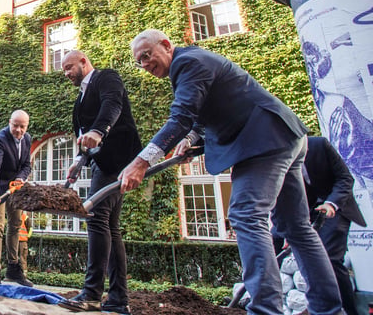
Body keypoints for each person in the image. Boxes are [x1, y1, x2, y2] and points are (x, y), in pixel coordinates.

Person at [121, 29, 343, 315]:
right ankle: (329, 310)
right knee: (296, 228)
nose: (146, 65)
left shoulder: (188, 63)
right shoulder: (194, 63)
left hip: (264, 142)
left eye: (147, 56)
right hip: (285, 137)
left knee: (246, 215)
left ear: (166, 45)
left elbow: (181, 116)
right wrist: (190, 141)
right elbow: (201, 118)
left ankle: (264, 310)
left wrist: (141, 161)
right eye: (140, 62)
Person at [58, 50, 141, 314]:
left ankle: (92, 294)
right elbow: (84, 138)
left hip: (117, 159)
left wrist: (98, 130)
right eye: (64, 70)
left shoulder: (106, 78)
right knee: (110, 226)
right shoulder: (80, 99)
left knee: (94, 218)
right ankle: (118, 299)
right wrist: (78, 162)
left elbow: (112, 105)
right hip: (101, 162)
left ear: (84, 61)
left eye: (69, 67)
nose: (67, 73)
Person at [274, 137, 366, 315]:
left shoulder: (319, 145)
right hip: (306, 213)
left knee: (330, 258)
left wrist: (331, 204)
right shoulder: (278, 156)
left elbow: (345, 179)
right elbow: (283, 197)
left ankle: (348, 310)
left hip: (336, 208)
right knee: (273, 240)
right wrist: (287, 231)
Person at [0, 109, 33, 286]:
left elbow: (27, 165)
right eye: (15, 126)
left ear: (26, 126)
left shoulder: (27, 139)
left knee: (15, 225)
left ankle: (13, 269)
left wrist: (20, 178)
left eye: (22, 127)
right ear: (9, 122)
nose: (19, 130)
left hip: (15, 188)